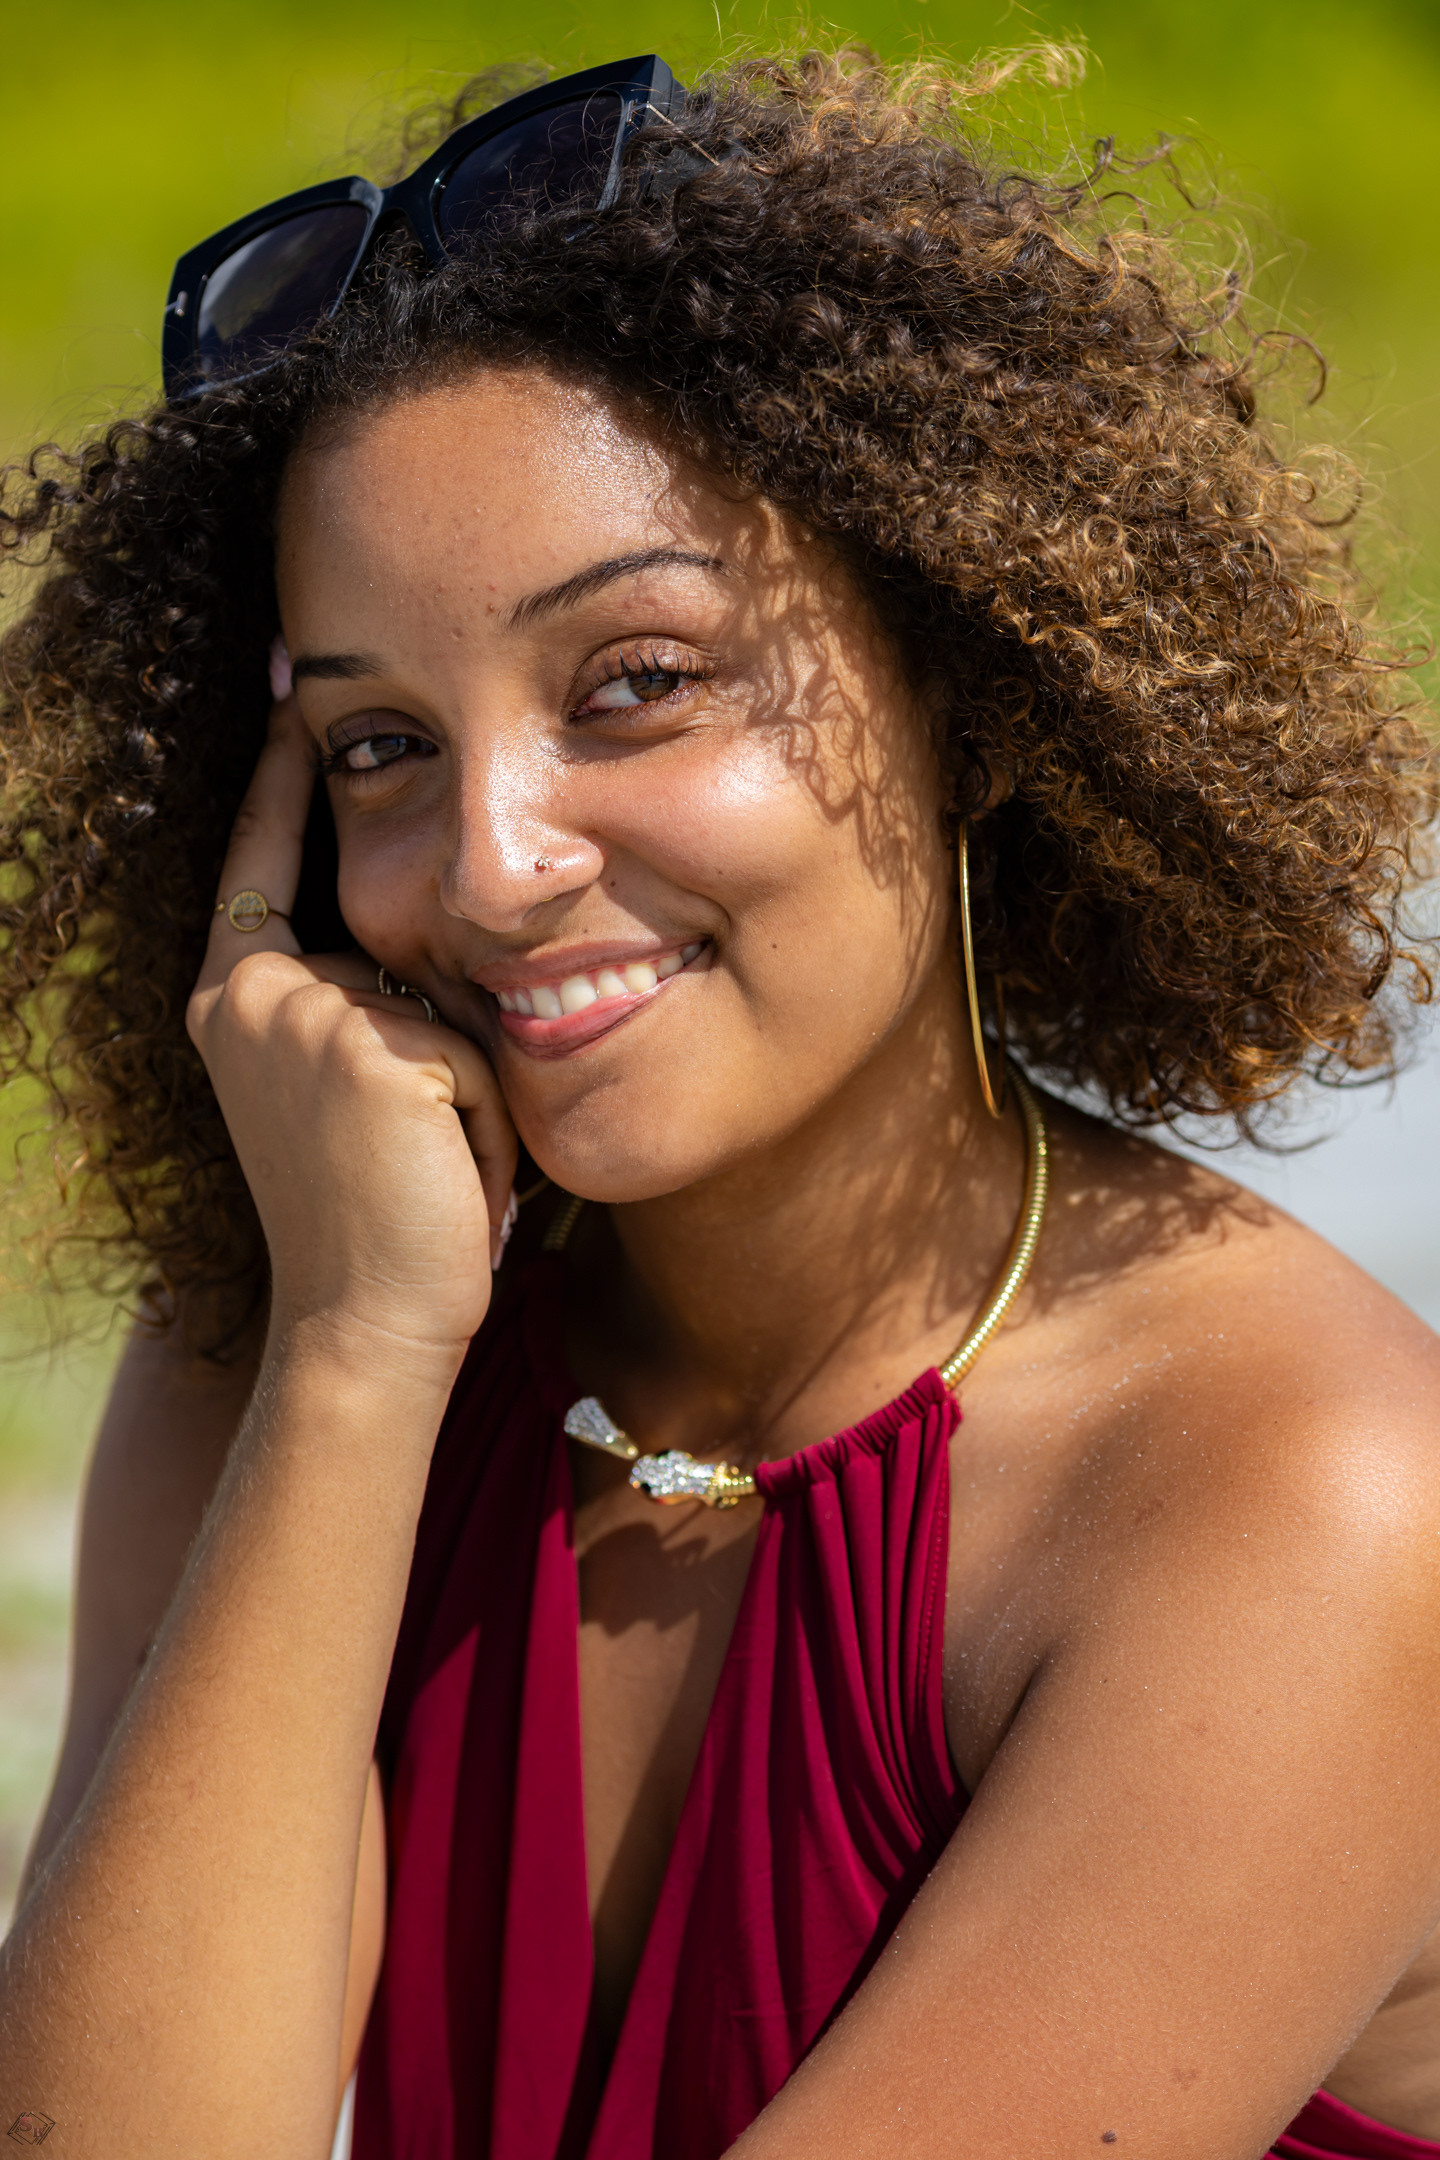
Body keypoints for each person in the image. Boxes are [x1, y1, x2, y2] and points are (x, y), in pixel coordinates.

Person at [2, 45, 1440, 2160]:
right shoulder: (306, 1324)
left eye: (635, 685)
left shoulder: (1307, 1503)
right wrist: (359, 1357)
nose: (492, 865)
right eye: (384, 746)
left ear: (961, 681)